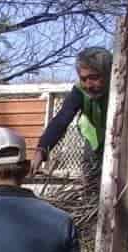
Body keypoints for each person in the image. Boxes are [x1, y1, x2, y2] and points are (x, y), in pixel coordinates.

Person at [36, 47, 112, 182]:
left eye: (94, 77)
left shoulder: (124, 88)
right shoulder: (79, 91)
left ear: (109, 74)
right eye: (83, 79)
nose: (88, 85)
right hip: (94, 139)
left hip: (121, 141)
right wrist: (41, 150)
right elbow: (61, 120)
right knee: (92, 182)